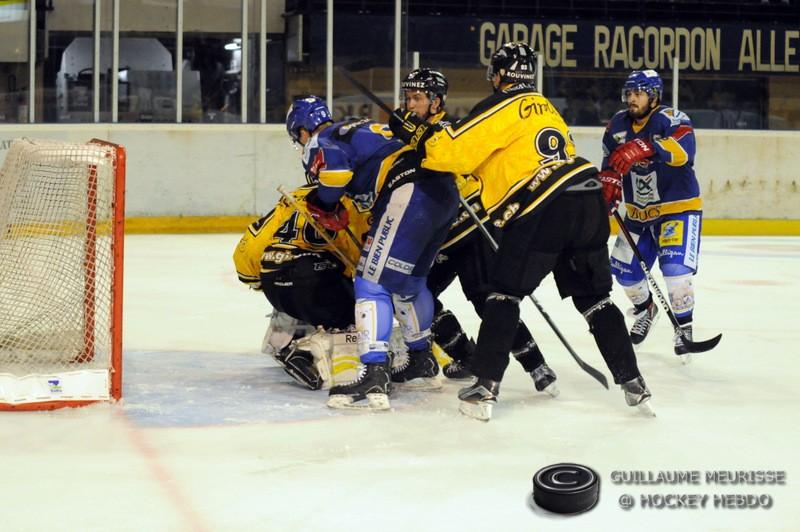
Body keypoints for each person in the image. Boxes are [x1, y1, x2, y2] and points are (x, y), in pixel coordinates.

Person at [389, 42, 652, 421]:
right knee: (596, 299)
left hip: (544, 203)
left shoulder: (501, 104)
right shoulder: (545, 107)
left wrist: (416, 133)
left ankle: (484, 388)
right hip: (586, 193)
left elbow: (452, 154)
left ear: (497, 76)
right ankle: (634, 382)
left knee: (502, 296)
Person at [285, 95, 459, 410]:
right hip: (443, 193)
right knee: (409, 284)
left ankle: (374, 373)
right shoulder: (361, 128)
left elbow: (335, 177)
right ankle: (422, 359)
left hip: (408, 191)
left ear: (302, 130)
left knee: (370, 282)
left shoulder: (323, 138)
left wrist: (326, 203)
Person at [401, 67, 558, 393]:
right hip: (450, 230)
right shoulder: (423, 129)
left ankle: (528, 364)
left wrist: (411, 135)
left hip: (470, 224)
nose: (410, 104)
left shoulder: (447, 128)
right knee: (441, 294)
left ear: (436, 102)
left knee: (464, 296)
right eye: (408, 97)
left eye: (417, 97)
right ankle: (485, 358)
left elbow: (445, 156)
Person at [600, 69, 702, 360]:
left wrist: (646, 147)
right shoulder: (617, 124)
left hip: (676, 209)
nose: (632, 99)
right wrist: (608, 184)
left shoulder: (673, 119)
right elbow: (610, 161)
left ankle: (684, 329)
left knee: (675, 271)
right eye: (629, 93)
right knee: (623, 273)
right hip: (636, 213)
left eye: (639, 93)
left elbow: (684, 151)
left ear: (654, 96)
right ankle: (647, 310)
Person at [233, 184, 369, 390]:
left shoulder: (297, 195)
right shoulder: (357, 204)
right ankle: (313, 354)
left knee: (296, 277)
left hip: (271, 279)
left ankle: (282, 337)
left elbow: (250, 249)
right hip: (312, 283)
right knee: (353, 315)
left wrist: (268, 280)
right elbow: (368, 266)